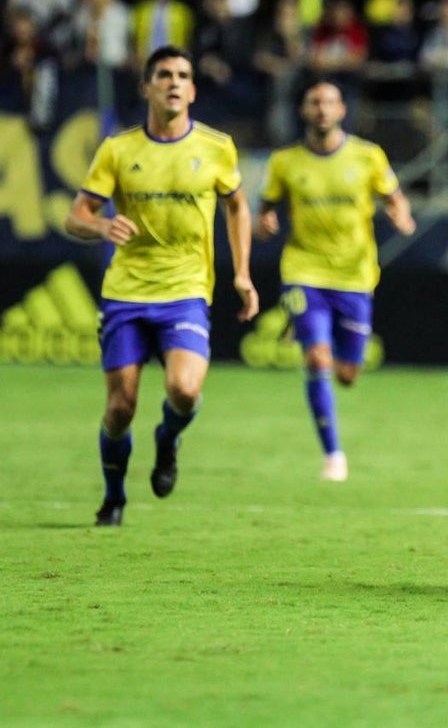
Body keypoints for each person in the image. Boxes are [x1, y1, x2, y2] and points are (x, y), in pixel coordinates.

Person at [64, 44, 259, 527]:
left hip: (186, 291)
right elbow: (76, 215)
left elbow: (237, 206)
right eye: (164, 74)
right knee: (120, 406)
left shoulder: (216, 147)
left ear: (192, 90)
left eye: (182, 75)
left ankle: (168, 439)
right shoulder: (118, 149)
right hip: (126, 293)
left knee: (185, 390)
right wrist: (101, 227)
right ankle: (113, 499)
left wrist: (241, 272)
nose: (173, 81)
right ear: (147, 87)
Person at [257, 80, 415, 482]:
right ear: (305, 111)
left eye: (329, 102)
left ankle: (334, 360)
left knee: (347, 373)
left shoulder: (367, 156)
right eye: (314, 103)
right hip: (303, 270)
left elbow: (393, 195)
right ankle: (333, 455)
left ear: (342, 110)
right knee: (317, 358)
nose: (322, 109)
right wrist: (265, 221)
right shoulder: (284, 162)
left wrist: (401, 214)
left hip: (355, 275)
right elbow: (266, 206)